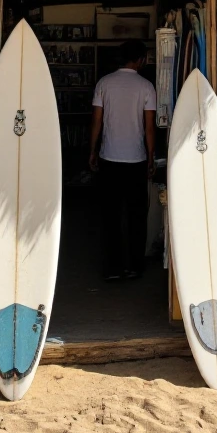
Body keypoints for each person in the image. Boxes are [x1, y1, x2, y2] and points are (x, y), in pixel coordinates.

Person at [89, 38, 156, 280]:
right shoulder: (146, 87)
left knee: (111, 215)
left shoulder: (104, 83)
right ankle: (135, 267)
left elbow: (97, 121)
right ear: (140, 59)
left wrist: (92, 150)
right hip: (136, 160)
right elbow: (149, 128)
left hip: (109, 158)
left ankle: (112, 268)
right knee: (137, 215)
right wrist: (150, 157)